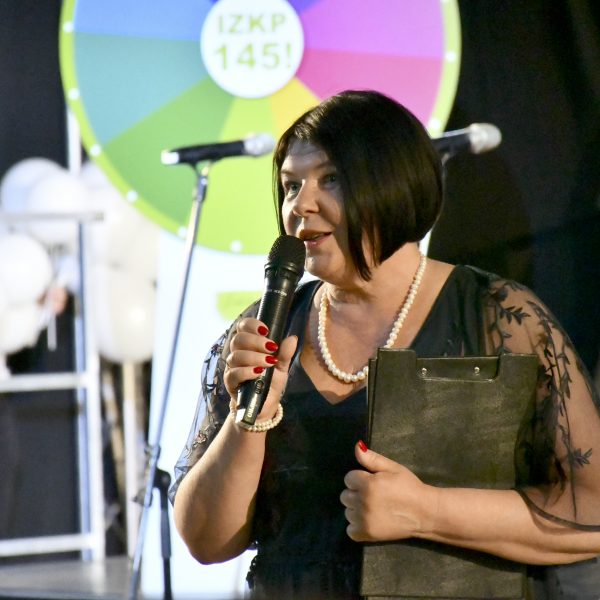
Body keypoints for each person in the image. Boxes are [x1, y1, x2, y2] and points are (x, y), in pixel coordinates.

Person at [169, 90, 600, 599]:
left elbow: (591, 508)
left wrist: (425, 512)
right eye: (290, 185)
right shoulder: (266, 328)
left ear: (393, 184)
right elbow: (205, 541)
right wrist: (249, 420)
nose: (300, 205)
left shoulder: (500, 317)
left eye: (331, 178)